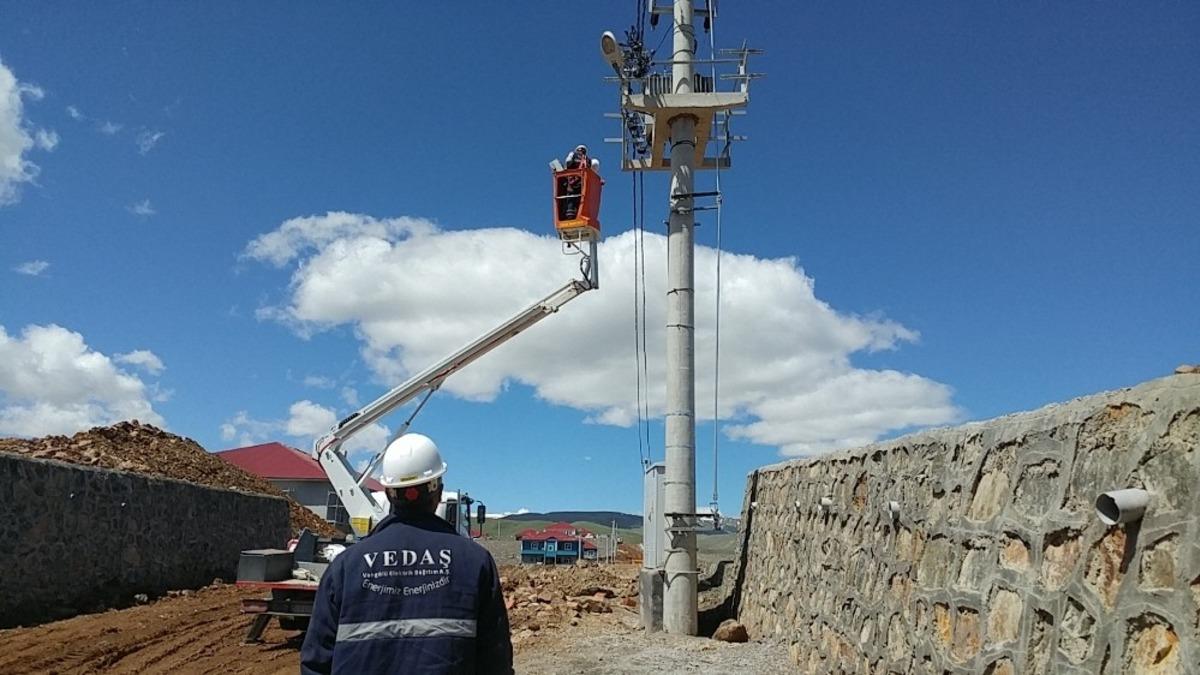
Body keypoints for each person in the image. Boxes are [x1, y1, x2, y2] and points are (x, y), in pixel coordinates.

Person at [301, 433, 513, 675]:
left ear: (388, 492)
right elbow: (496, 661)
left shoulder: (346, 566)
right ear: (438, 491)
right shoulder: (475, 562)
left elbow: (316, 662)